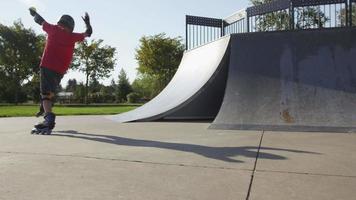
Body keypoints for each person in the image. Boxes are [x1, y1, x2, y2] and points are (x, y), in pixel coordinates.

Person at [29, 7, 92, 134]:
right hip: (60, 71)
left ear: (60, 23)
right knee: (50, 92)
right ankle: (45, 107)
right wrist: (87, 23)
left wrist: (33, 13)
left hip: (47, 66)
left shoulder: (54, 30)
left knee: (45, 94)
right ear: (71, 27)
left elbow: (40, 20)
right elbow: (88, 33)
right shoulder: (73, 36)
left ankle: (48, 120)